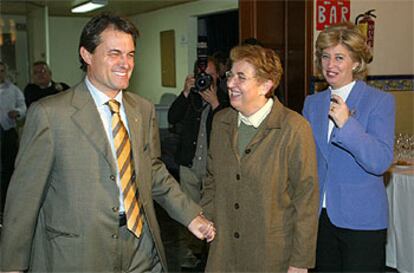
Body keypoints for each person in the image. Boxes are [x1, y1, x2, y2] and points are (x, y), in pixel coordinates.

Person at [0, 13, 215, 273]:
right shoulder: (50, 114)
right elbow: (24, 196)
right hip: (79, 253)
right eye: (114, 53)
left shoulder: (142, 110)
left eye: (130, 54)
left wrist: (191, 214)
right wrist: (12, 265)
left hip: (141, 246)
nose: (125, 63)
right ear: (87, 55)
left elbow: (153, 172)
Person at [201, 44, 319, 273]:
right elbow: (211, 179)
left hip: (271, 256)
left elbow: (306, 200)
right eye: (230, 75)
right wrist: (207, 219)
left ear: (266, 85)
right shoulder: (221, 121)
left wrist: (300, 262)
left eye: (241, 77)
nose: (230, 83)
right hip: (224, 253)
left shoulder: (294, 128)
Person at [302, 22, 395, 273]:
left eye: (339, 57)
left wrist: (347, 124)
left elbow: (380, 161)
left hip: (362, 220)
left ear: (356, 62)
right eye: (325, 56)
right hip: (320, 219)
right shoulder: (312, 103)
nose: (330, 64)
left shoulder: (380, 101)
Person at [168, 56, 229, 268]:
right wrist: (185, 92)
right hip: (190, 165)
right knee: (189, 213)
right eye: (204, 76)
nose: (207, 80)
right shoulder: (190, 98)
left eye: (211, 75)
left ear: (218, 76)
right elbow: (172, 117)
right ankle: (190, 255)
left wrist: (214, 104)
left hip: (213, 169)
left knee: (214, 214)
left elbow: (226, 129)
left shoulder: (226, 98)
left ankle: (212, 255)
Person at [0, 61, 26, 222]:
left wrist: (17, 112)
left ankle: (6, 207)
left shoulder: (14, 90)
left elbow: (23, 108)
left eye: (2, 70)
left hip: (8, 133)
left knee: (8, 170)